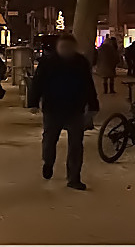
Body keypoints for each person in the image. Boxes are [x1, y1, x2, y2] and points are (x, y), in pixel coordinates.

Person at [29, 32, 99, 191]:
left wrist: (93, 104)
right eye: (63, 47)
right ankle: (48, 162)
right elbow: (37, 82)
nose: (66, 50)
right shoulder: (48, 62)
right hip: (53, 108)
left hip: (75, 108)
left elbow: (88, 84)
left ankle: (74, 177)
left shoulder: (80, 63)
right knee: (49, 140)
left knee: (76, 144)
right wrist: (33, 102)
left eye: (69, 47)